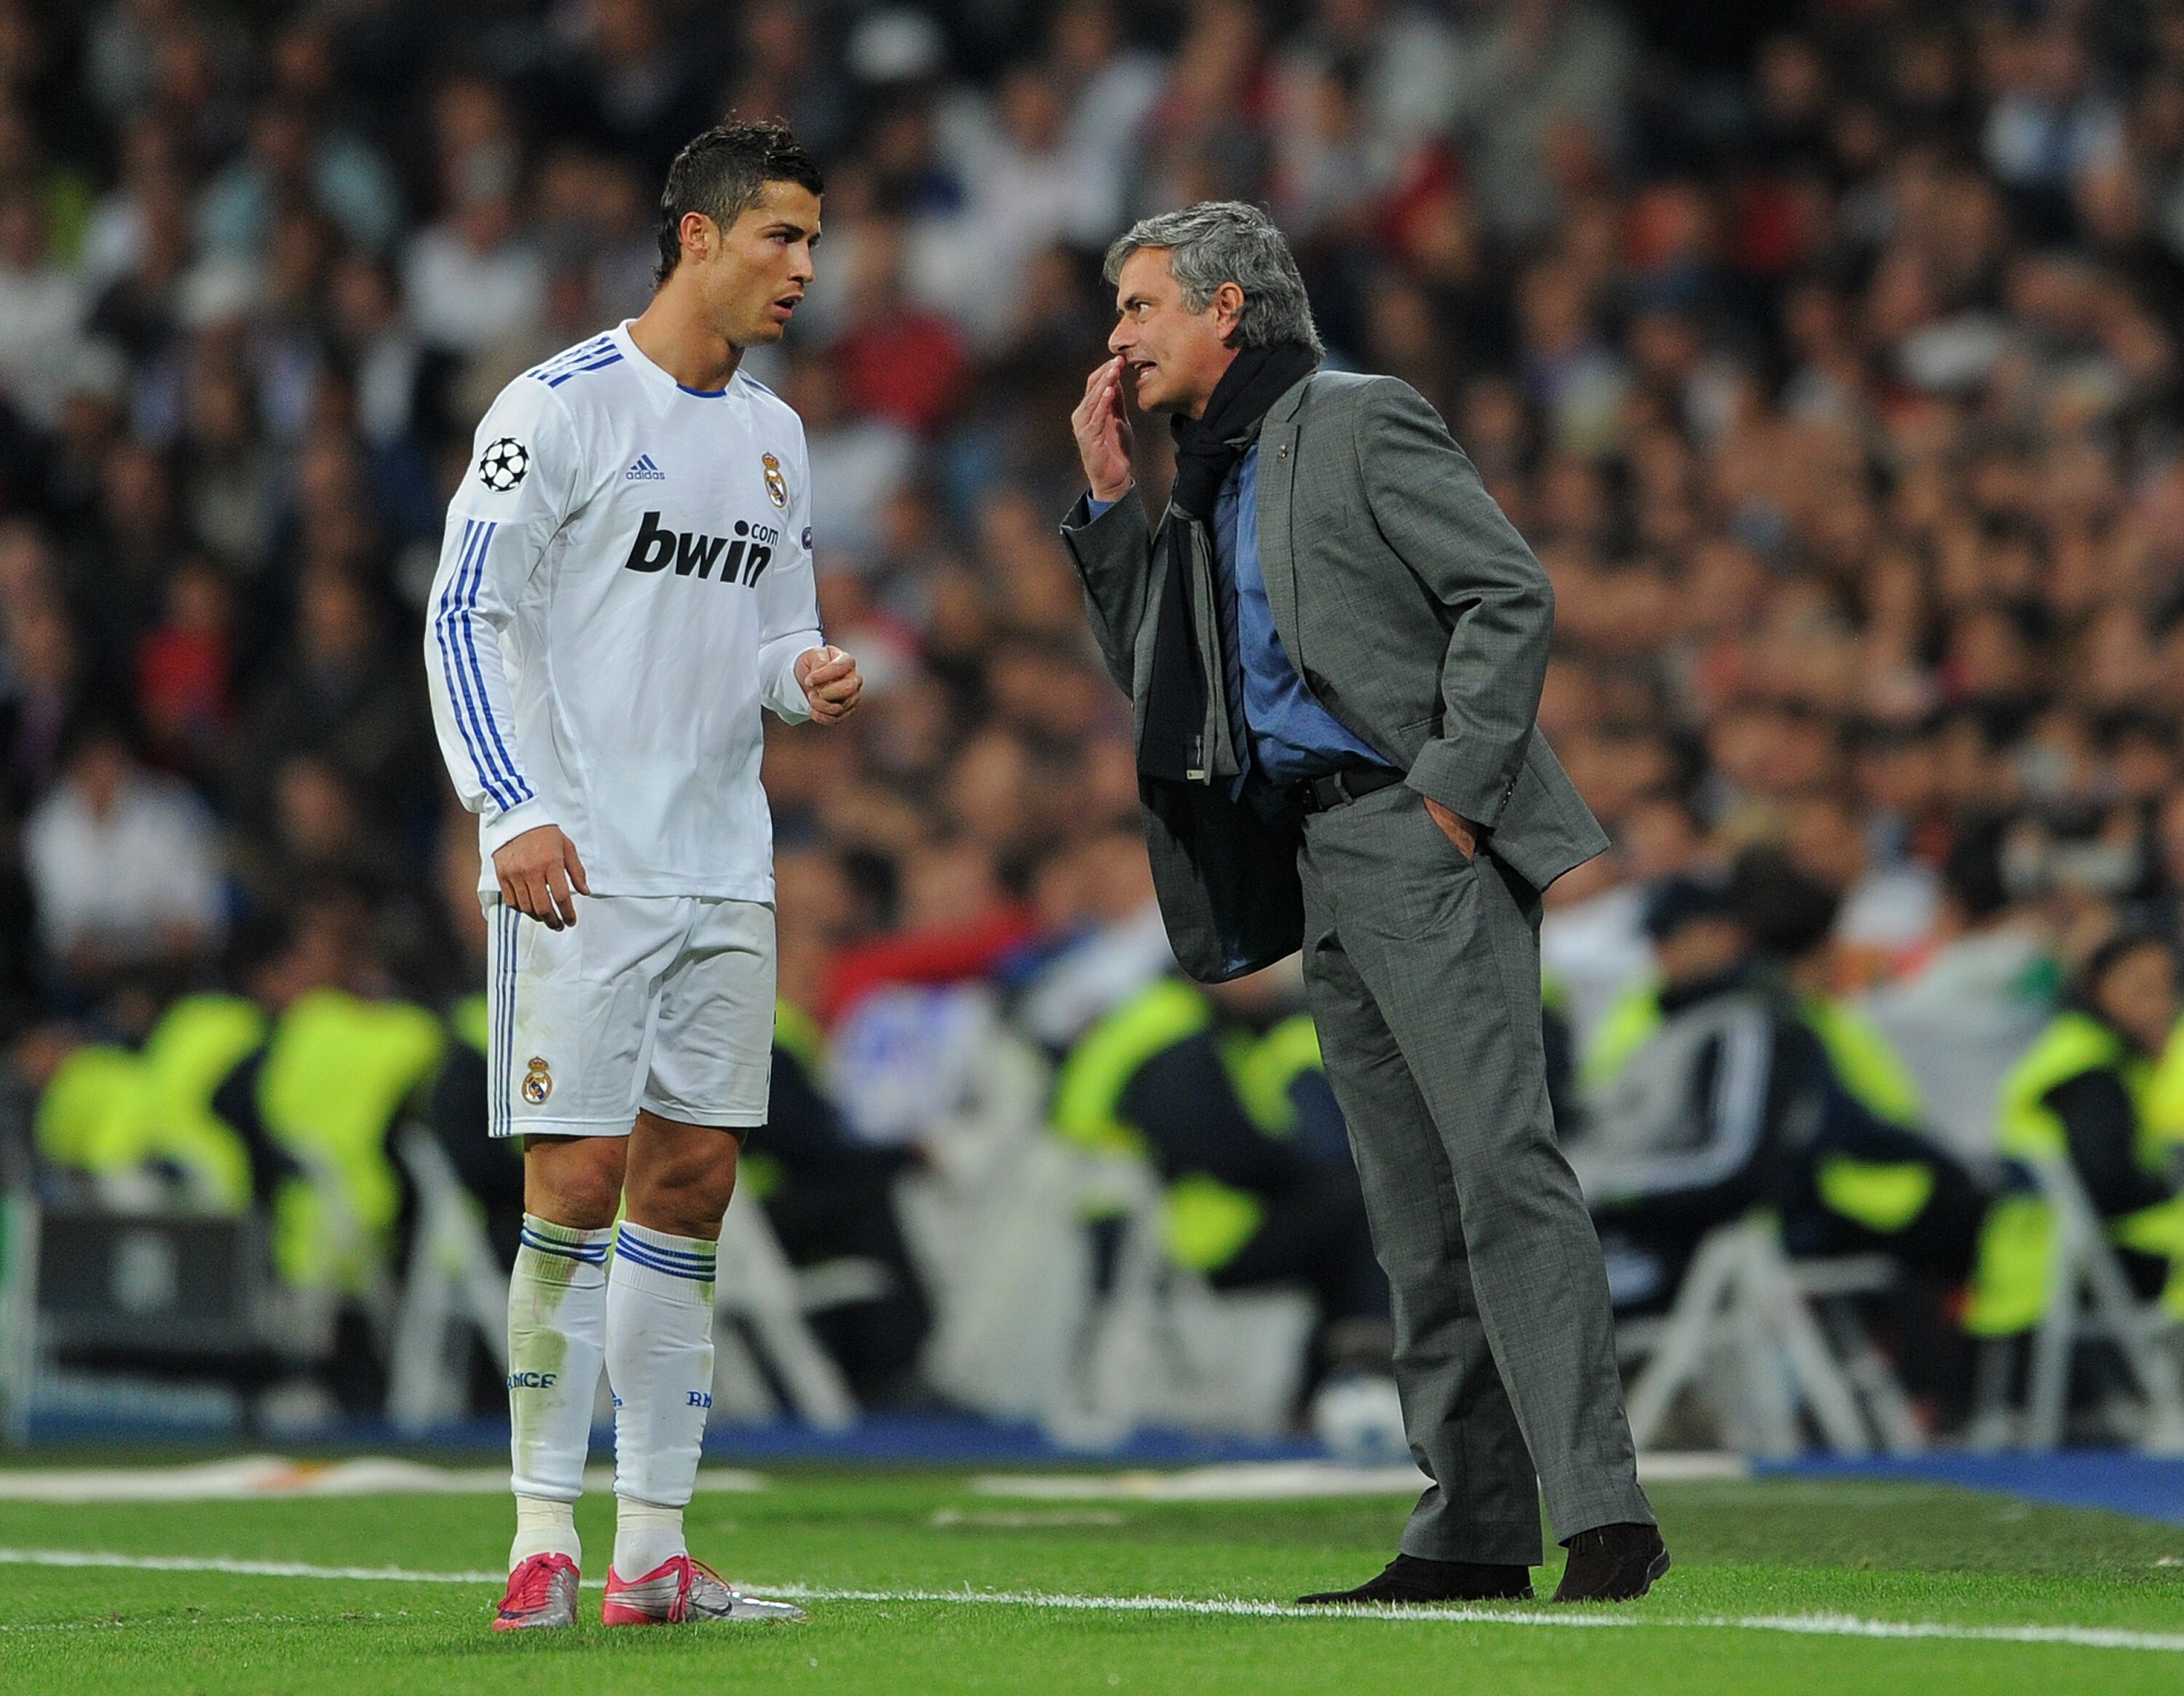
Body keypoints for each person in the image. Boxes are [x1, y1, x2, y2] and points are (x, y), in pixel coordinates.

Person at [1061, 201, 1658, 1606]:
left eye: (1142, 307)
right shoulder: (1206, 468)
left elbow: (1508, 592)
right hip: (1318, 856)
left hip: (1410, 830)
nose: (1119, 335)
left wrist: (1450, 792)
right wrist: (1109, 501)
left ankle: (1606, 1514)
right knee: (1410, 1207)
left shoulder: (1356, 417)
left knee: (1501, 1169)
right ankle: (1469, 1528)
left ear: (1227, 310)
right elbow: (1161, 683)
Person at [423, 119, 860, 1634]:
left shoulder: (775, 436)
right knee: (575, 1179)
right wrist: (511, 810)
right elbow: (464, 616)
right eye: (781, 238)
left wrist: (807, 678)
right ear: (697, 236)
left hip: (723, 863)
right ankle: (542, 1534)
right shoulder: (556, 409)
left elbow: (768, 643)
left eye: (812, 240)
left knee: (694, 1183)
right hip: (580, 861)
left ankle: (655, 1551)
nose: (806, 267)